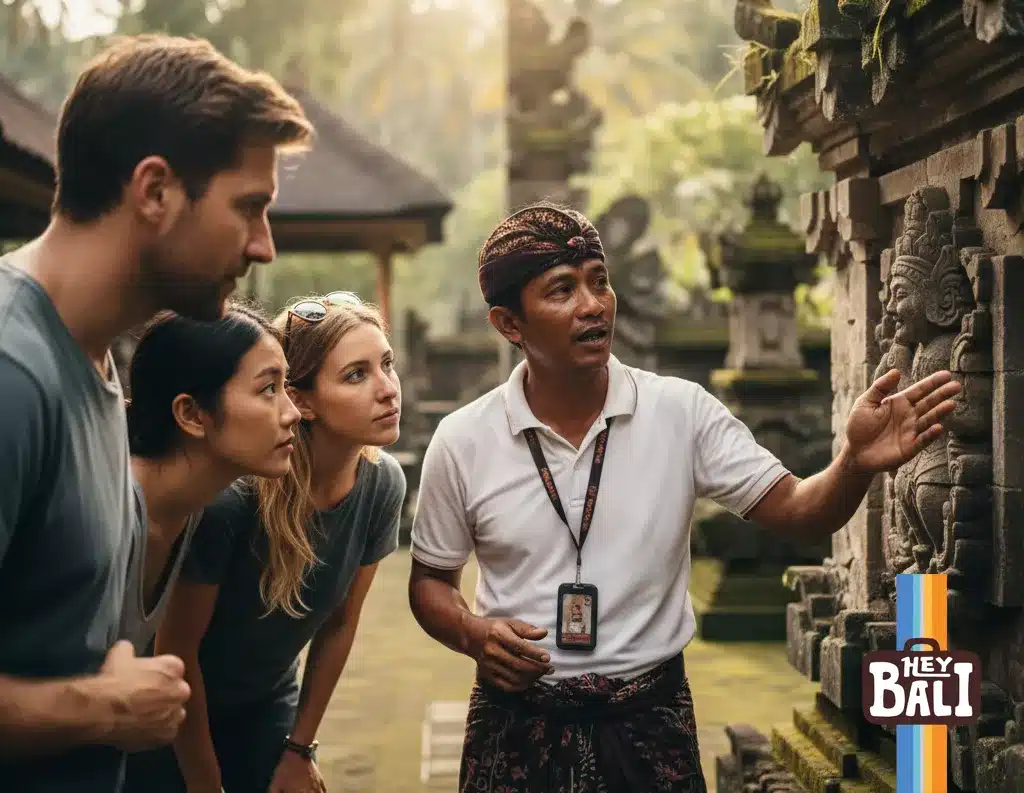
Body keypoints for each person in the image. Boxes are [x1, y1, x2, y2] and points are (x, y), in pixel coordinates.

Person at [408, 202, 962, 793]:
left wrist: (854, 463)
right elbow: (429, 583)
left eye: (600, 280)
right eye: (562, 290)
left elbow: (801, 513)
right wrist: (472, 634)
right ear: (509, 323)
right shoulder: (464, 439)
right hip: (514, 725)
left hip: (649, 723)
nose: (593, 304)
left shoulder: (680, 411)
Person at [0, 33, 312, 793]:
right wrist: (99, 711)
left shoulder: (98, 366)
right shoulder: (13, 370)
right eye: (249, 207)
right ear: (155, 191)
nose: (264, 246)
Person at [125, 294, 407, 793]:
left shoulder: (381, 485)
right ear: (305, 401)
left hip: (266, 704)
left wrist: (300, 748)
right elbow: (178, 651)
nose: (388, 390)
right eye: (356, 374)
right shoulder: (231, 498)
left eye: (387, 364)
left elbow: (341, 624)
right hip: (174, 707)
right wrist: (206, 784)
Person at [121, 302, 302, 655]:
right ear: (191, 414)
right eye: (268, 389)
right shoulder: (107, 517)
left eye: (286, 387)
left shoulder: (189, 511)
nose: (293, 413)